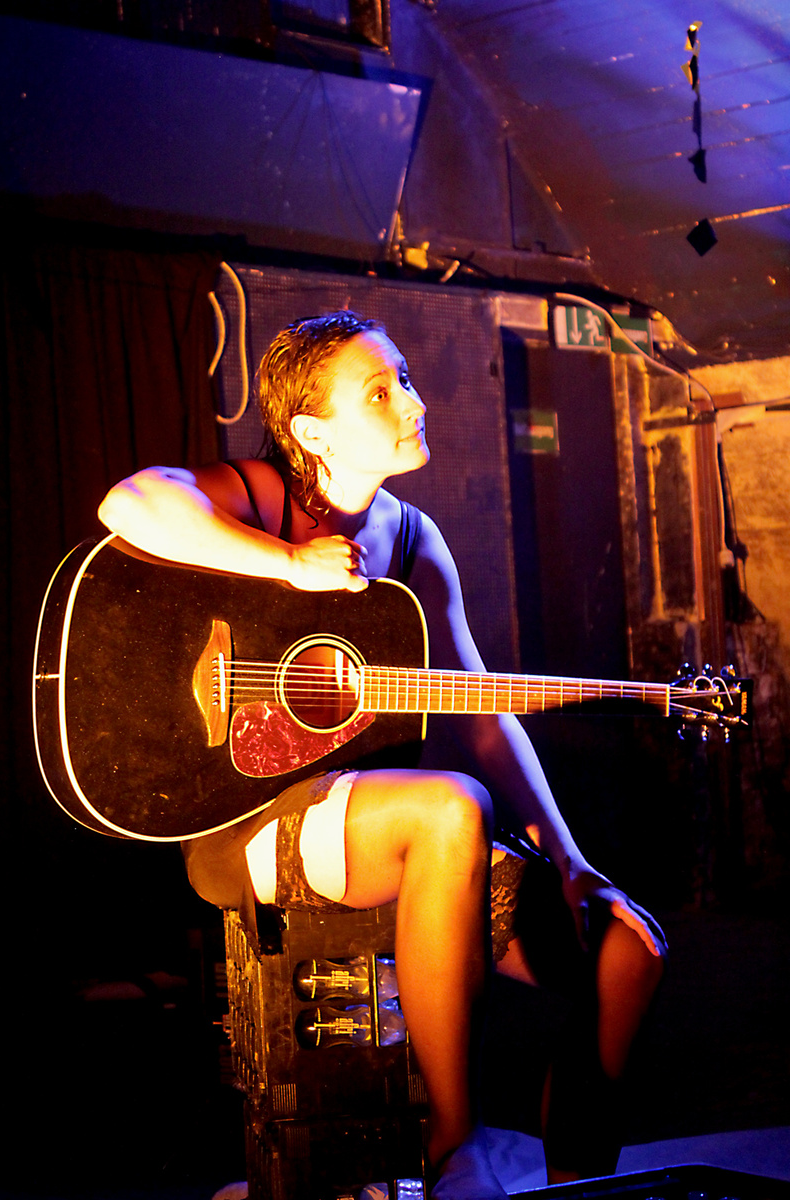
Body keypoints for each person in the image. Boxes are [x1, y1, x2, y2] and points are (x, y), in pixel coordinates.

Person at [98, 310, 666, 1191]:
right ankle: (454, 1145)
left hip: (380, 817)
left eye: (404, 378)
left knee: (630, 949)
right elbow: (128, 504)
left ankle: (578, 1186)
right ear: (312, 432)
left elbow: (483, 711)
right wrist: (288, 565)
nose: (413, 401)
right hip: (244, 821)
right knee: (450, 808)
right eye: (380, 390)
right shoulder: (265, 496)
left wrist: (570, 859)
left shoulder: (411, 538)